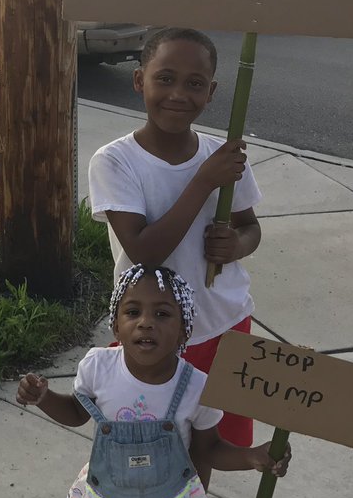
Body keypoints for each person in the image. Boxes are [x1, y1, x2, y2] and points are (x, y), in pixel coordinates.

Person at [9, 265, 291, 498]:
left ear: (184, 330)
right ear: (116, 326)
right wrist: (45, 398)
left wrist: (253, 458)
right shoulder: (99, 368)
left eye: (162, 314)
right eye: (132, 312)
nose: (146, 322)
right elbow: (76, 413)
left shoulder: (196, 387)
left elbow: (208, 449)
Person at [88, 27, 262, 451]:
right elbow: (145, 252)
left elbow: (249, 225)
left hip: (225, 325)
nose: (178, 94)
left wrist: (236, 245)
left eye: (195, 83)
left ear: (212, 91)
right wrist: (204, 181)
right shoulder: (115, 161)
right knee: (146, 447)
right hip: (151, 336)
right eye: (164, 78)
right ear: (139, 80)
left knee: (214, 448)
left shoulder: (221, 156)